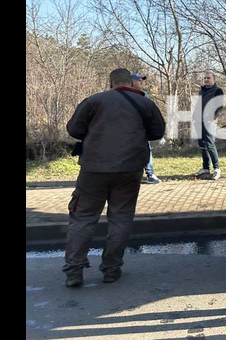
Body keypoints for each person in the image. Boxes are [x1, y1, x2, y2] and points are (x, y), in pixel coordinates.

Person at [63, 68, 166, 287]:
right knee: (121, 218)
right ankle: (111, 269)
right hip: (129, 169)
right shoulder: (145, 103)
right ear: (130, 82)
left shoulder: (94, 101)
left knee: (83, 218)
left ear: (110, 82)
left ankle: (74, 270)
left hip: (94, 169)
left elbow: (74, 130)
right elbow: (157, 132)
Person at [132, 73, 161, 184]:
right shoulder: (125, 94)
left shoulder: (145, 95)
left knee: (146, 150)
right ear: (132, 82)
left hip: (142, 128)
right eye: (139, 80)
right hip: (129, 129)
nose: (142, 82)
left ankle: (150, 174)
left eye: (142, 80)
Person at [194, 70, 224, 180]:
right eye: (205, 78)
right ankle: (206, 168)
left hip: (209, 121)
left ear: (214, 80)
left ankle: (217, 169)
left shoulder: (217, 91)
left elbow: (219, 106)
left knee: (210, 144)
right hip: (199, 120)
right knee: (202, 144)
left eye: (208, 78)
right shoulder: (201, 91)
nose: (206, 80)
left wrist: (213, 118)